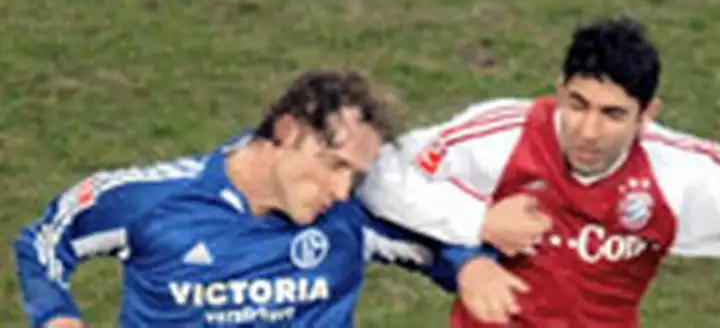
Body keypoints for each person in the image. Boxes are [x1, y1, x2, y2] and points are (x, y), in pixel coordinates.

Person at [13, 69, 541, 328]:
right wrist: (56, 316)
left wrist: (470, 264)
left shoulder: (352, 217)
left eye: (356, 175)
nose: (342, 190)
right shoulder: (152, 200)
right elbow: (44, 240)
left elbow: (435, 245)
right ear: (288, 132)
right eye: (334, 165)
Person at [357, 17, 720, 327]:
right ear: (559, 90)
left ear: (647, 115)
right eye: (577, 105)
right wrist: (479, 222)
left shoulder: (680, 175)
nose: (588, 131)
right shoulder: (499, 138)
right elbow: (378, 175)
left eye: (612, 114)